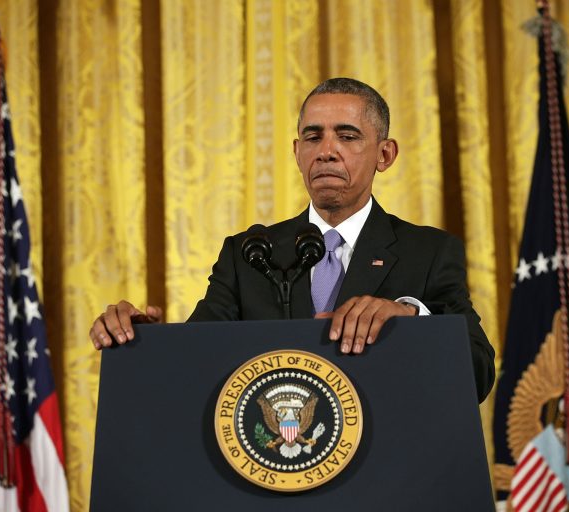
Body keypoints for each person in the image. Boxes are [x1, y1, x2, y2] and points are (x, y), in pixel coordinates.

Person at [89, 78, 495, 403]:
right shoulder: (249, 253)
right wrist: (147, 342)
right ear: (297, 152)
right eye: (313, 137)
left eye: (348, 136)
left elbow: (477, 374)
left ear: (384, 155)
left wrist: (411, 322)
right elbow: (195, 363)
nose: (327, 151)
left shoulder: (428, 252)